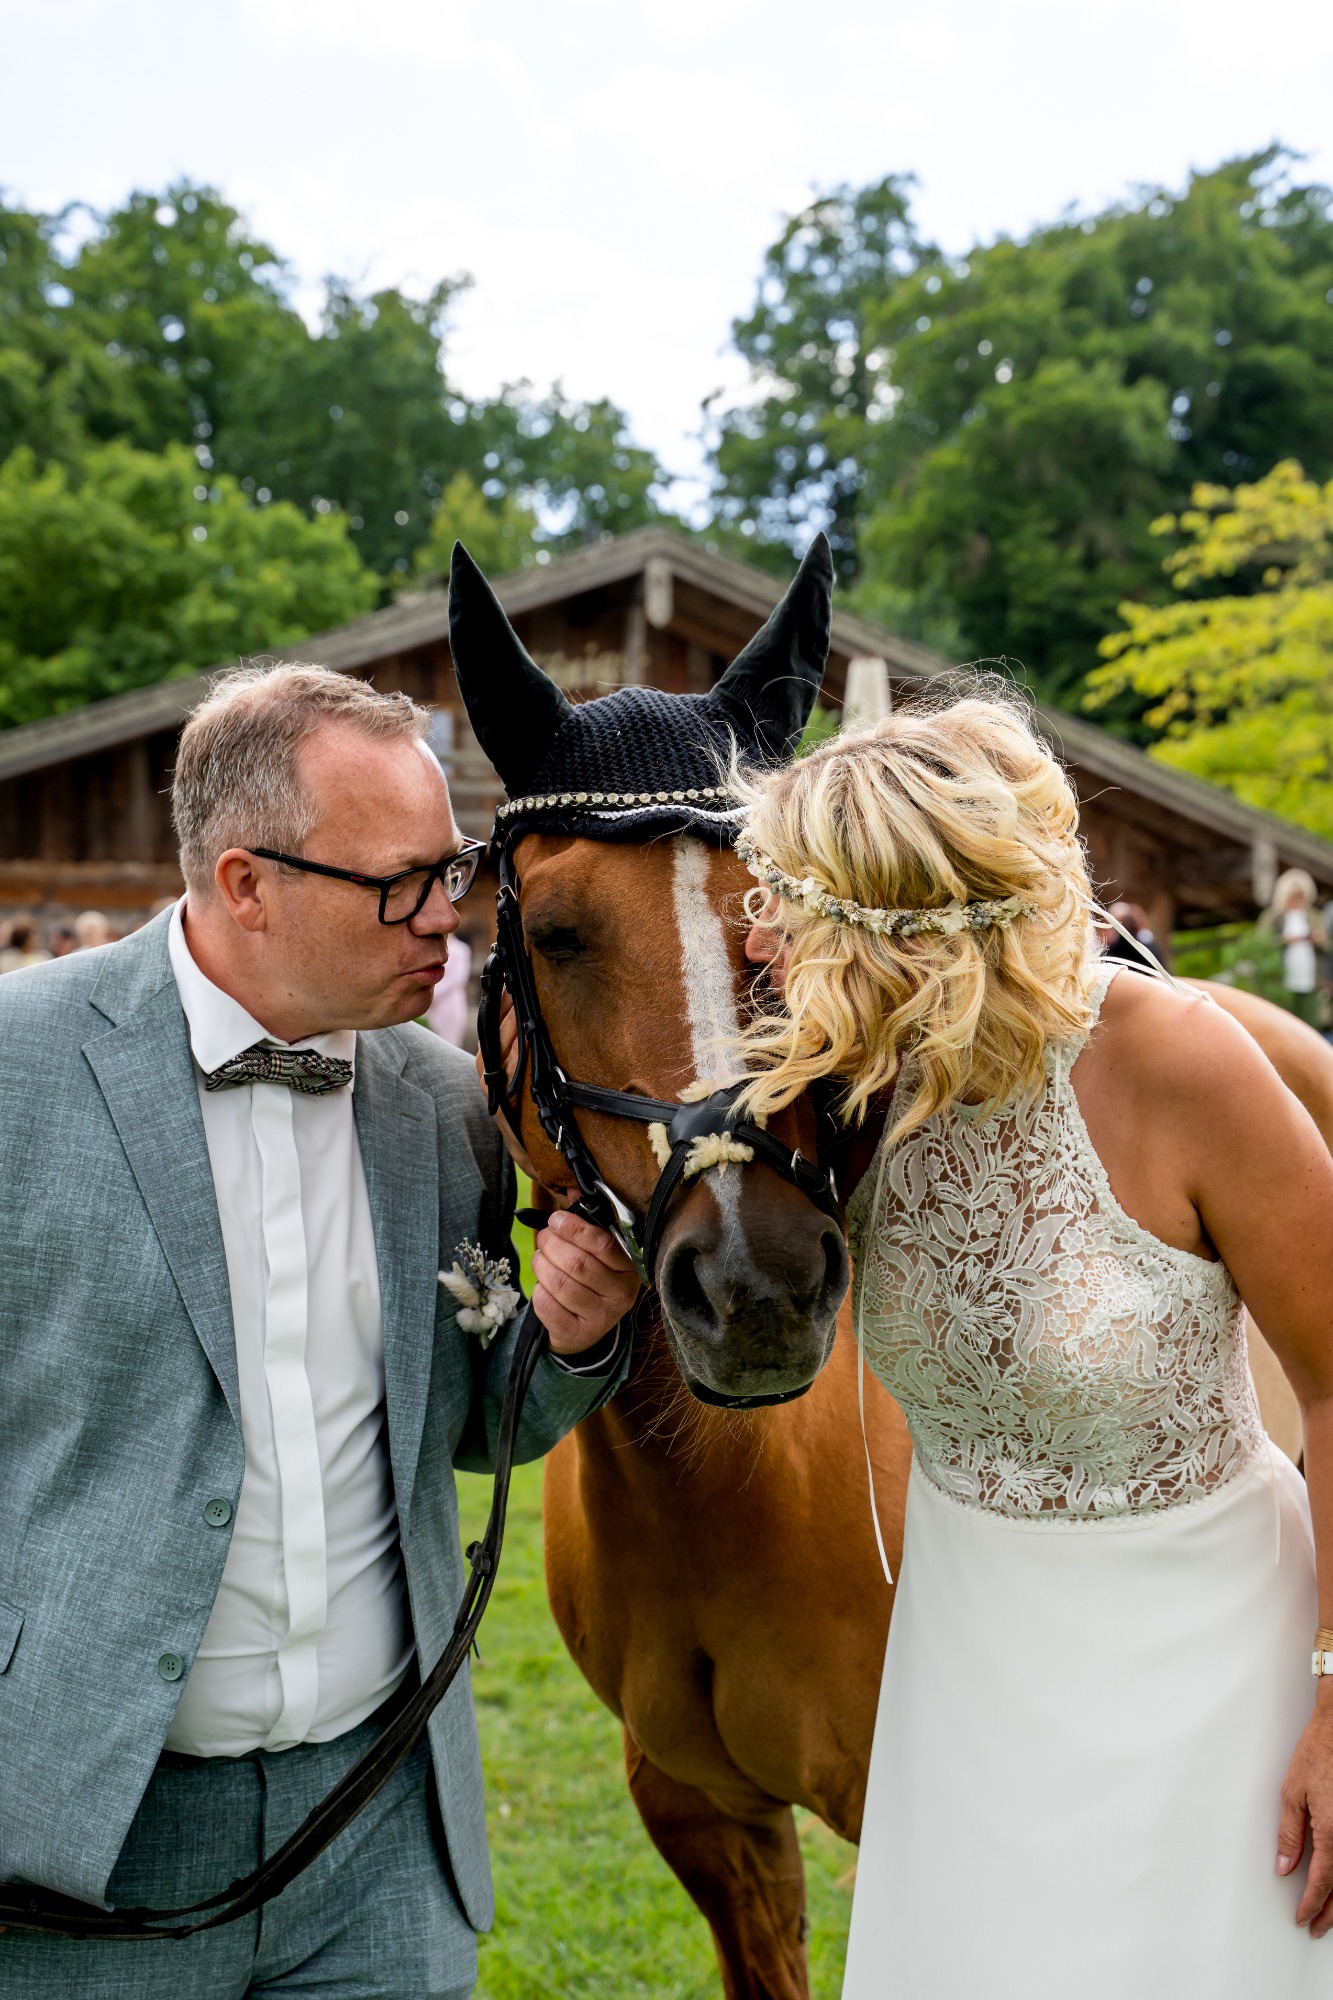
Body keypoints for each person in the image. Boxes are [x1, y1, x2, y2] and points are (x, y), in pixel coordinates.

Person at [0, 663, 639, 1997]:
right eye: (400, 883)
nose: (448, 919)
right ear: (246, 884)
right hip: (76, 1844)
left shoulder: (450, 1107)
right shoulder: (19, 1067)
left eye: (451, 870)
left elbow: (471, 1424)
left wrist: (568, 1337)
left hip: (381, 1833)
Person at [732, 694, 1333, 1997]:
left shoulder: (1180, 1061)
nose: (760, 938)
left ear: (902, 930)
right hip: (970, 1667)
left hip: (1220, 1661)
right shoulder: (835, 1089)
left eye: (791, 907)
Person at [1265, 870, 1328, 1031]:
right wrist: (1284, 940)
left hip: (1310, 979)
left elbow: (1327, 947)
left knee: (1309, 1024)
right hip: (1281, 980)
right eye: (1293, 897)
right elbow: (1261, 945)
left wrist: (1319, 940)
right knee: (1284, 1024)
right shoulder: (1273, 917)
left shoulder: (1313, 916)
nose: (1297, 902)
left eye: (1300, 897)